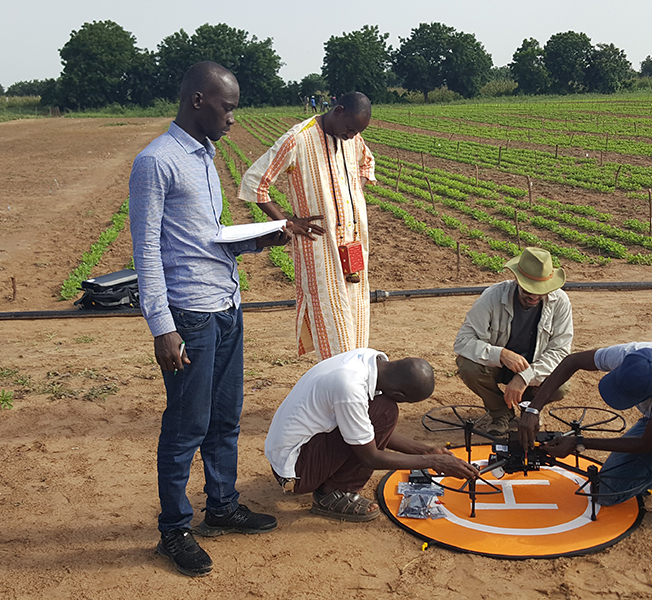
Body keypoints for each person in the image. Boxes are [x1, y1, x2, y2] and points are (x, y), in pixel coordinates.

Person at [129, 61, 290, 577]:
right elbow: (147, 250)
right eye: (228, 107)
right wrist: (163, 327)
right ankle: (174, 529)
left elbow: (206, 235)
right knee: (185, 427)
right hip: (189, 317)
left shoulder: (205, 155)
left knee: (225, 419)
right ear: (198, 100)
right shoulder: (156, 162)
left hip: (226, 307)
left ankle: (221, 505)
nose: (233, 120)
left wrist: (259, 238)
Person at [518, 342, 652, 531]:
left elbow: (646, 443)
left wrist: (578, 443)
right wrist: (533, 410)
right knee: (608, 491)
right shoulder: (632, 354)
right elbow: (572, 361)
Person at [265, 348, 480, 521]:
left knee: (381, 411)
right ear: (398, 394)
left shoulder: (369, 359)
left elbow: (367, 430)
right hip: (296, 470)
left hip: (296, 449)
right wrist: (434, 462)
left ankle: (330, 481)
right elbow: (371, 457)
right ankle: (333, 494)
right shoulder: (350, 389)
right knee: (385, 411)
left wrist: (428, 450)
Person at [239, 91, 376, 361]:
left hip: (354, 245)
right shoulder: (298, 139)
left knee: (357, 315)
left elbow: (367, 162)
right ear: (338, 112)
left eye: (356, 132)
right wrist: (287, 221)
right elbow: (255, 183)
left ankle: (355, 380)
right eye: (349, 129)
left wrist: (355, 194)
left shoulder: (352, 137)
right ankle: (339, 387)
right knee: (331, 320)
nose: (351, 137)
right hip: (320, 249)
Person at [454, 247, 573, 435]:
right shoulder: (492, 297)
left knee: (560, 384)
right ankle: (501, 413)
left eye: (540, 290)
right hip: (498, 366)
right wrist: (501, 354)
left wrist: (525, 376)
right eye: (529, 289)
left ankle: (530, 408)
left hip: (534, 366)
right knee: (468, 365)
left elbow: (560, 351)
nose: (534, 296)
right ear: (517, 279)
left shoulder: (560, 302)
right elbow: (462, 341)